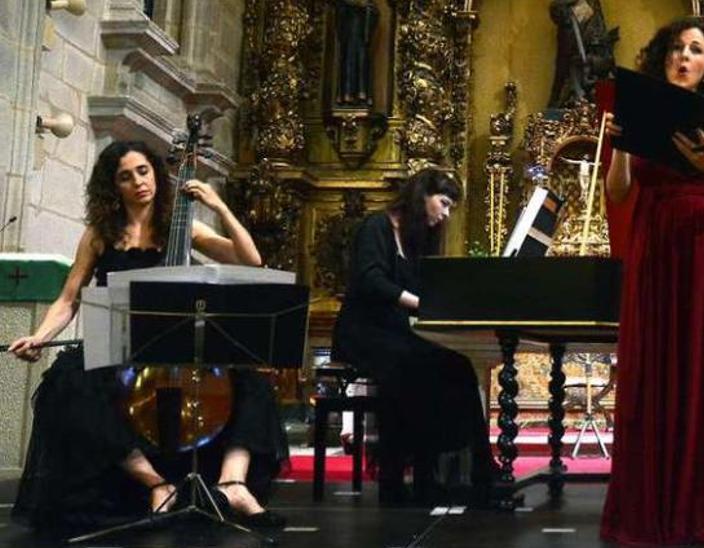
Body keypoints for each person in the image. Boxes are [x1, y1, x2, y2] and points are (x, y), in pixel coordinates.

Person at [8, 141, 287, 532]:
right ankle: (156, 482)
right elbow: (68, 300)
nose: (139, 182)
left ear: (156, 172)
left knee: (249, 376)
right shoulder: (100, 234)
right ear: (113, 186)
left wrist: (220, 207)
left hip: (178, 342)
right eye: (126, 176)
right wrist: (40, 335)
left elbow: (250, 259)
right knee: (69, 381)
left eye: (144, 171)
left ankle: (234, 482)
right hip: (122, 345)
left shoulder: (182, 223)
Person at [599, 17, 704, 544]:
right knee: (653, 369)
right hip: (655, 246)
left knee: (701, 369)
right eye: (675, 49)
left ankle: (702, 508)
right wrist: (619, 144)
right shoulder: (639, 109)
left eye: (695, 50)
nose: (683, 58)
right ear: (661, 57)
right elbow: (618, 194)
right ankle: (650, 508)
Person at [331, 168, 497, 506]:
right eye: (444, 203)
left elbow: (427, 289)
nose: (446, 213)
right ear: (422, 196)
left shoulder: (417, 238)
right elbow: (370, 280)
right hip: (364, 331)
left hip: (396, 330)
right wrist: (420, 304)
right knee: (410, 365)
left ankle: (475, 471)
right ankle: (398, 476)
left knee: (457, 365)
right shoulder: (376, 226)